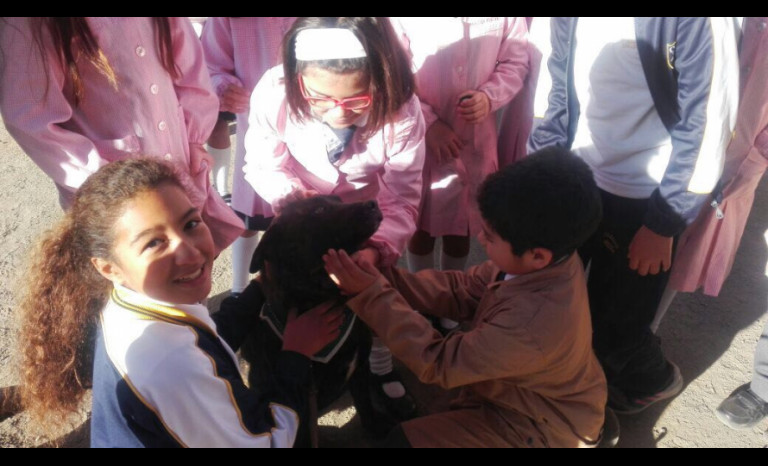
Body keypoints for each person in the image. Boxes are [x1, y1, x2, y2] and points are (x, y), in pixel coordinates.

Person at [16, 158, 343, 447]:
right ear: (108, 267)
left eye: (190, 224)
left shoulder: (126, 300)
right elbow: (267, 443)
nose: (190, 253)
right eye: (154, 243)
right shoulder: (172, 367)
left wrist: (258, 288)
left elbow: (206, 336)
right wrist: (296, 356)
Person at [323, 147, 607, 447]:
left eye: (489, 236)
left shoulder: (532, 323)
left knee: (402, 442)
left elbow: (440, 362)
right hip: (525, 396)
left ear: (537, 256)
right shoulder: (550, 257)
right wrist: (384, 276)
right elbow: (463, 290)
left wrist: (369, 294)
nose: (480, 239)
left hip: (543, 424)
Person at [528, 17, 739, 414]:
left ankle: (651, 378)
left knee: (617, 324)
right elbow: (554, 84)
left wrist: (662, 223)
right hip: (575, 172)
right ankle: (565, 387)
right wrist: (542, 170)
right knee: (553, 301)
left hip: (648, 195)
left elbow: (709, 121)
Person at [242, 17, 426, 423]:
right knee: (288, 303)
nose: (338, 112)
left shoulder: (402, 110)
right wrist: (290, 197)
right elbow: (262, 163)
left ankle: (377, 365)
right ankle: (288, 381)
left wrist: (377, 250)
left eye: (357, 100)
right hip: (302, 220)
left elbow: (402, 199)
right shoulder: (274, 93)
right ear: (297, 78)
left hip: (363, 217)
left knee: (373, 300)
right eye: (320, 98)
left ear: (382, 77)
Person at [0, 17, 242, 253]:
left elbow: (190, 73)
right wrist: (105, 182)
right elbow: (32, 118)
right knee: (139, 280)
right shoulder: (32, 23)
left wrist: (193, 141)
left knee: (187, 265)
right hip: (114, 203)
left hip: (179, 170)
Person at [658, 17, 768, 430]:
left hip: (741, 153)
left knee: (693, 244)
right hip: (683, 128)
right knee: (652, 230)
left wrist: (752, 163)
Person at [393, 18, 529, 333]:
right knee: (420, 223)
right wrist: (427, 123)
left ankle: (451, 298)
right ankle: (422, 296)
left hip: (476, 139)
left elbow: (515, 58)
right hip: (420, 136)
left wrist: (489, 96)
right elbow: (393, 71)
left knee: (461, 224)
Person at [200, 17, 297, 296]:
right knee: (249, 214)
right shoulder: (229, 20)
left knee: (304, 210)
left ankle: (298, 290)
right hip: (256, 125)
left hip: (318, 117)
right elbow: (209, 63)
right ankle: (239, 289)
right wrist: (222, 86)